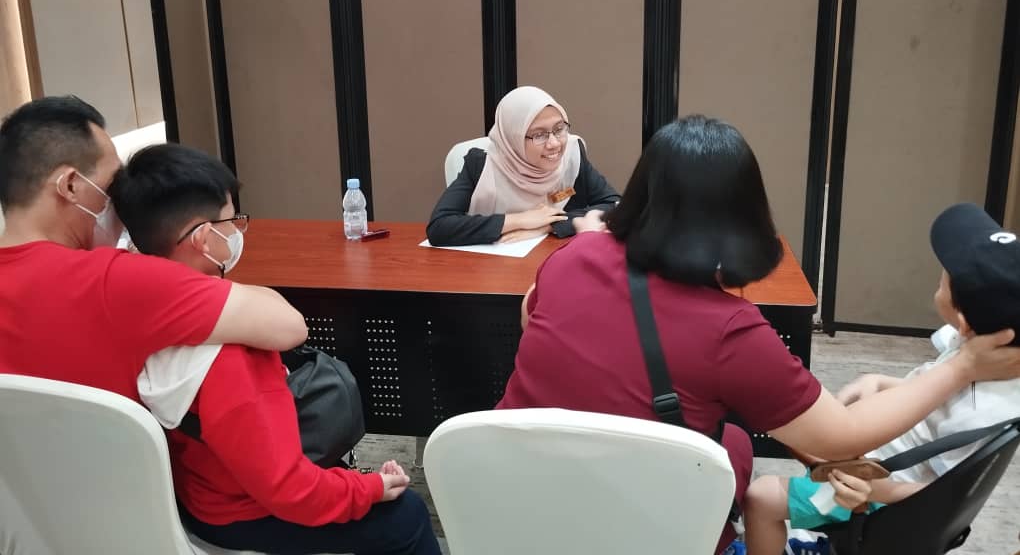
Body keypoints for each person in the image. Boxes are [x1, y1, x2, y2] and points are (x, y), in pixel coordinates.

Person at [496, 115, 1020, 554]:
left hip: (513, 497)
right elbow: (843, 435)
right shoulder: (731, 330)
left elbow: (528, 317)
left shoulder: (574, 255)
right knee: (734, 449)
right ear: (743, 214)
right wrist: (964, 366)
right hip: (642, 527)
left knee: (736, 443)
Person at [111, 143, 441, 555]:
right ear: (203, 238)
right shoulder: (234, 354)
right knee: (406, 515)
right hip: (241, 511)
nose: (238, 232)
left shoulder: (132, 308)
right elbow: (290, 490)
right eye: (233, 221)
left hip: (196, 488)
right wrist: (370, 488)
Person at [743, 202, 1020, 555]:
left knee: (761, 496)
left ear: (964, 321)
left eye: (946, 274)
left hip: (877, 486)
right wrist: (879, 382)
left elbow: (946, 495)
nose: (941, 271)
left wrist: (874, 491)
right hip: (879, 452)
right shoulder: (982, 348)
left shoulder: (982, 411)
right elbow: (938, 395)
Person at [0, 96, 307, 402]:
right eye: (111, 188)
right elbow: (287, 326)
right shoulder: (114, 280)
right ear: (70, 186)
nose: (118, 207)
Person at [426, 85, 619, 246]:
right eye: (539, 135)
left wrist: (549, 225)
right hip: (490, 268)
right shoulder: (481, 165)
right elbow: (439, 227)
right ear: (514, 138)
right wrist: (520, 220)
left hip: (553, 258)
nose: (554, 143)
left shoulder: (571, 155)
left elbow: (615, 204)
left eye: (559, 129)